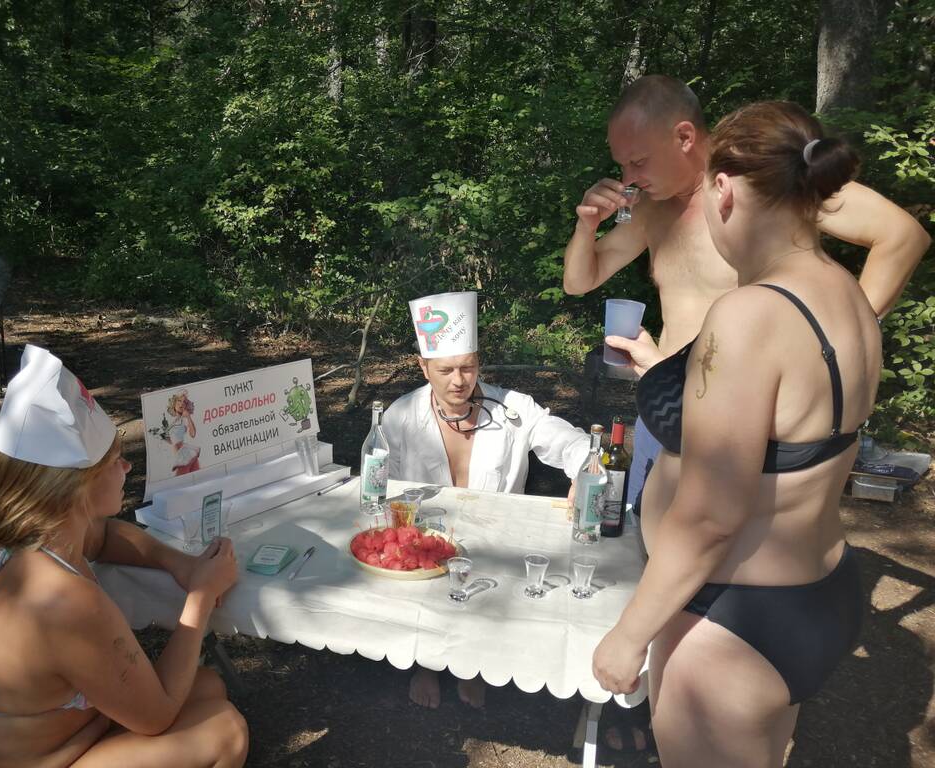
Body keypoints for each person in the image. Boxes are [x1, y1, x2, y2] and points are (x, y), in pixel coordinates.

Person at [592, 101, 882, 767]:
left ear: (723, 189)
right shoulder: (846, 295)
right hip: (819, 592)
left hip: (733, 617)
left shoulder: (749, 313)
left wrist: (630, 635)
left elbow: (711, 516)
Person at [564, 74, 929, 518]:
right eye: (621, 165)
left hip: (740, 430)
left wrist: (841, 339)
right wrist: (586, 225)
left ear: (684, 137)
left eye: (638, 161)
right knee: (643, 534)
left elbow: (901, 235)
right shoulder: (649, 208)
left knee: (711, 546)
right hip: (664, 409)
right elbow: (579, 281)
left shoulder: (761, 178)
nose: (628, 178)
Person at [0, 345, 248, 768]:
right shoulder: (66, 602)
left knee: (205, 687)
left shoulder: (32, 540)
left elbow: (105, 536)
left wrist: (179, 564)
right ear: (77, 489)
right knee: (224, 730)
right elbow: (158, 715)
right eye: (115, 460)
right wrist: (200, 594)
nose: (127, 468)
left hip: (47, 746)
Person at [383, 290, 590, 709]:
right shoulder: (400, 416)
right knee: (425, 588)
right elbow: (384, 484)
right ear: (423, 366)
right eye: (445, 370)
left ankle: (472, 666)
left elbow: (568, 440)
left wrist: (586, 468)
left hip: (496, 536)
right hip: (427, 537)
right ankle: (427, 664)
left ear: (479, 362)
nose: (458, 381)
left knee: (486, 595)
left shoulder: (514, 408)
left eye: (468, 367)